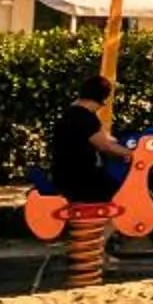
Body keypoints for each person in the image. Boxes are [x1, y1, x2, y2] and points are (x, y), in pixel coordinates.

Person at [50, 74, 131, 206]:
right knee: (123, 190)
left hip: (63, 177)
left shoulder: (70, 114)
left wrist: (118, 144)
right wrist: (131, 153)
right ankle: (111, 225)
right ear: (100, 99)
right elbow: (105, 146)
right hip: (79, 180)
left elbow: (104, 138)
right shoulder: (84, 117)